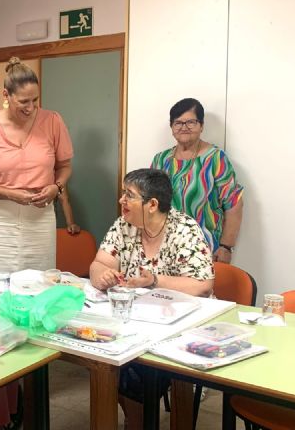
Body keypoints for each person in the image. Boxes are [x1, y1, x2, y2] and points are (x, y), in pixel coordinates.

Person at [89, 168, 214, 428]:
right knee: (113, 364)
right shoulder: (124, 225)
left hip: (183, 324)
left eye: (129, 195)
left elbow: (202, 285)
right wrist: (102, 275)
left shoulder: (184, 230)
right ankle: (137, 422)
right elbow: (99, 262)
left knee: (134, 371)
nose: (121, 200)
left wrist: (155, 281)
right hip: (138, 321)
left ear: (152, 204)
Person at [0, 57, 74, 273]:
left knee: (38, 282)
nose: (31, 107)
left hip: (40, 217)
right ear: (6, 95)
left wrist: (57, 187)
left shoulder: (52, 121)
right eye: (24, 101)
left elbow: (65, 166)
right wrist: (10, 194)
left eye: (35, 100)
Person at [151, 97, 244, 263]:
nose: (184, 127)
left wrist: (226, 247)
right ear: (171, 127)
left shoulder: (216, 159)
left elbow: (234, 204)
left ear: (201, 126)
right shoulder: (161, 160)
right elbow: (150, 202)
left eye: (191, 122)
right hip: (164, 246)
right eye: (178, 123)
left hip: (204, 248)